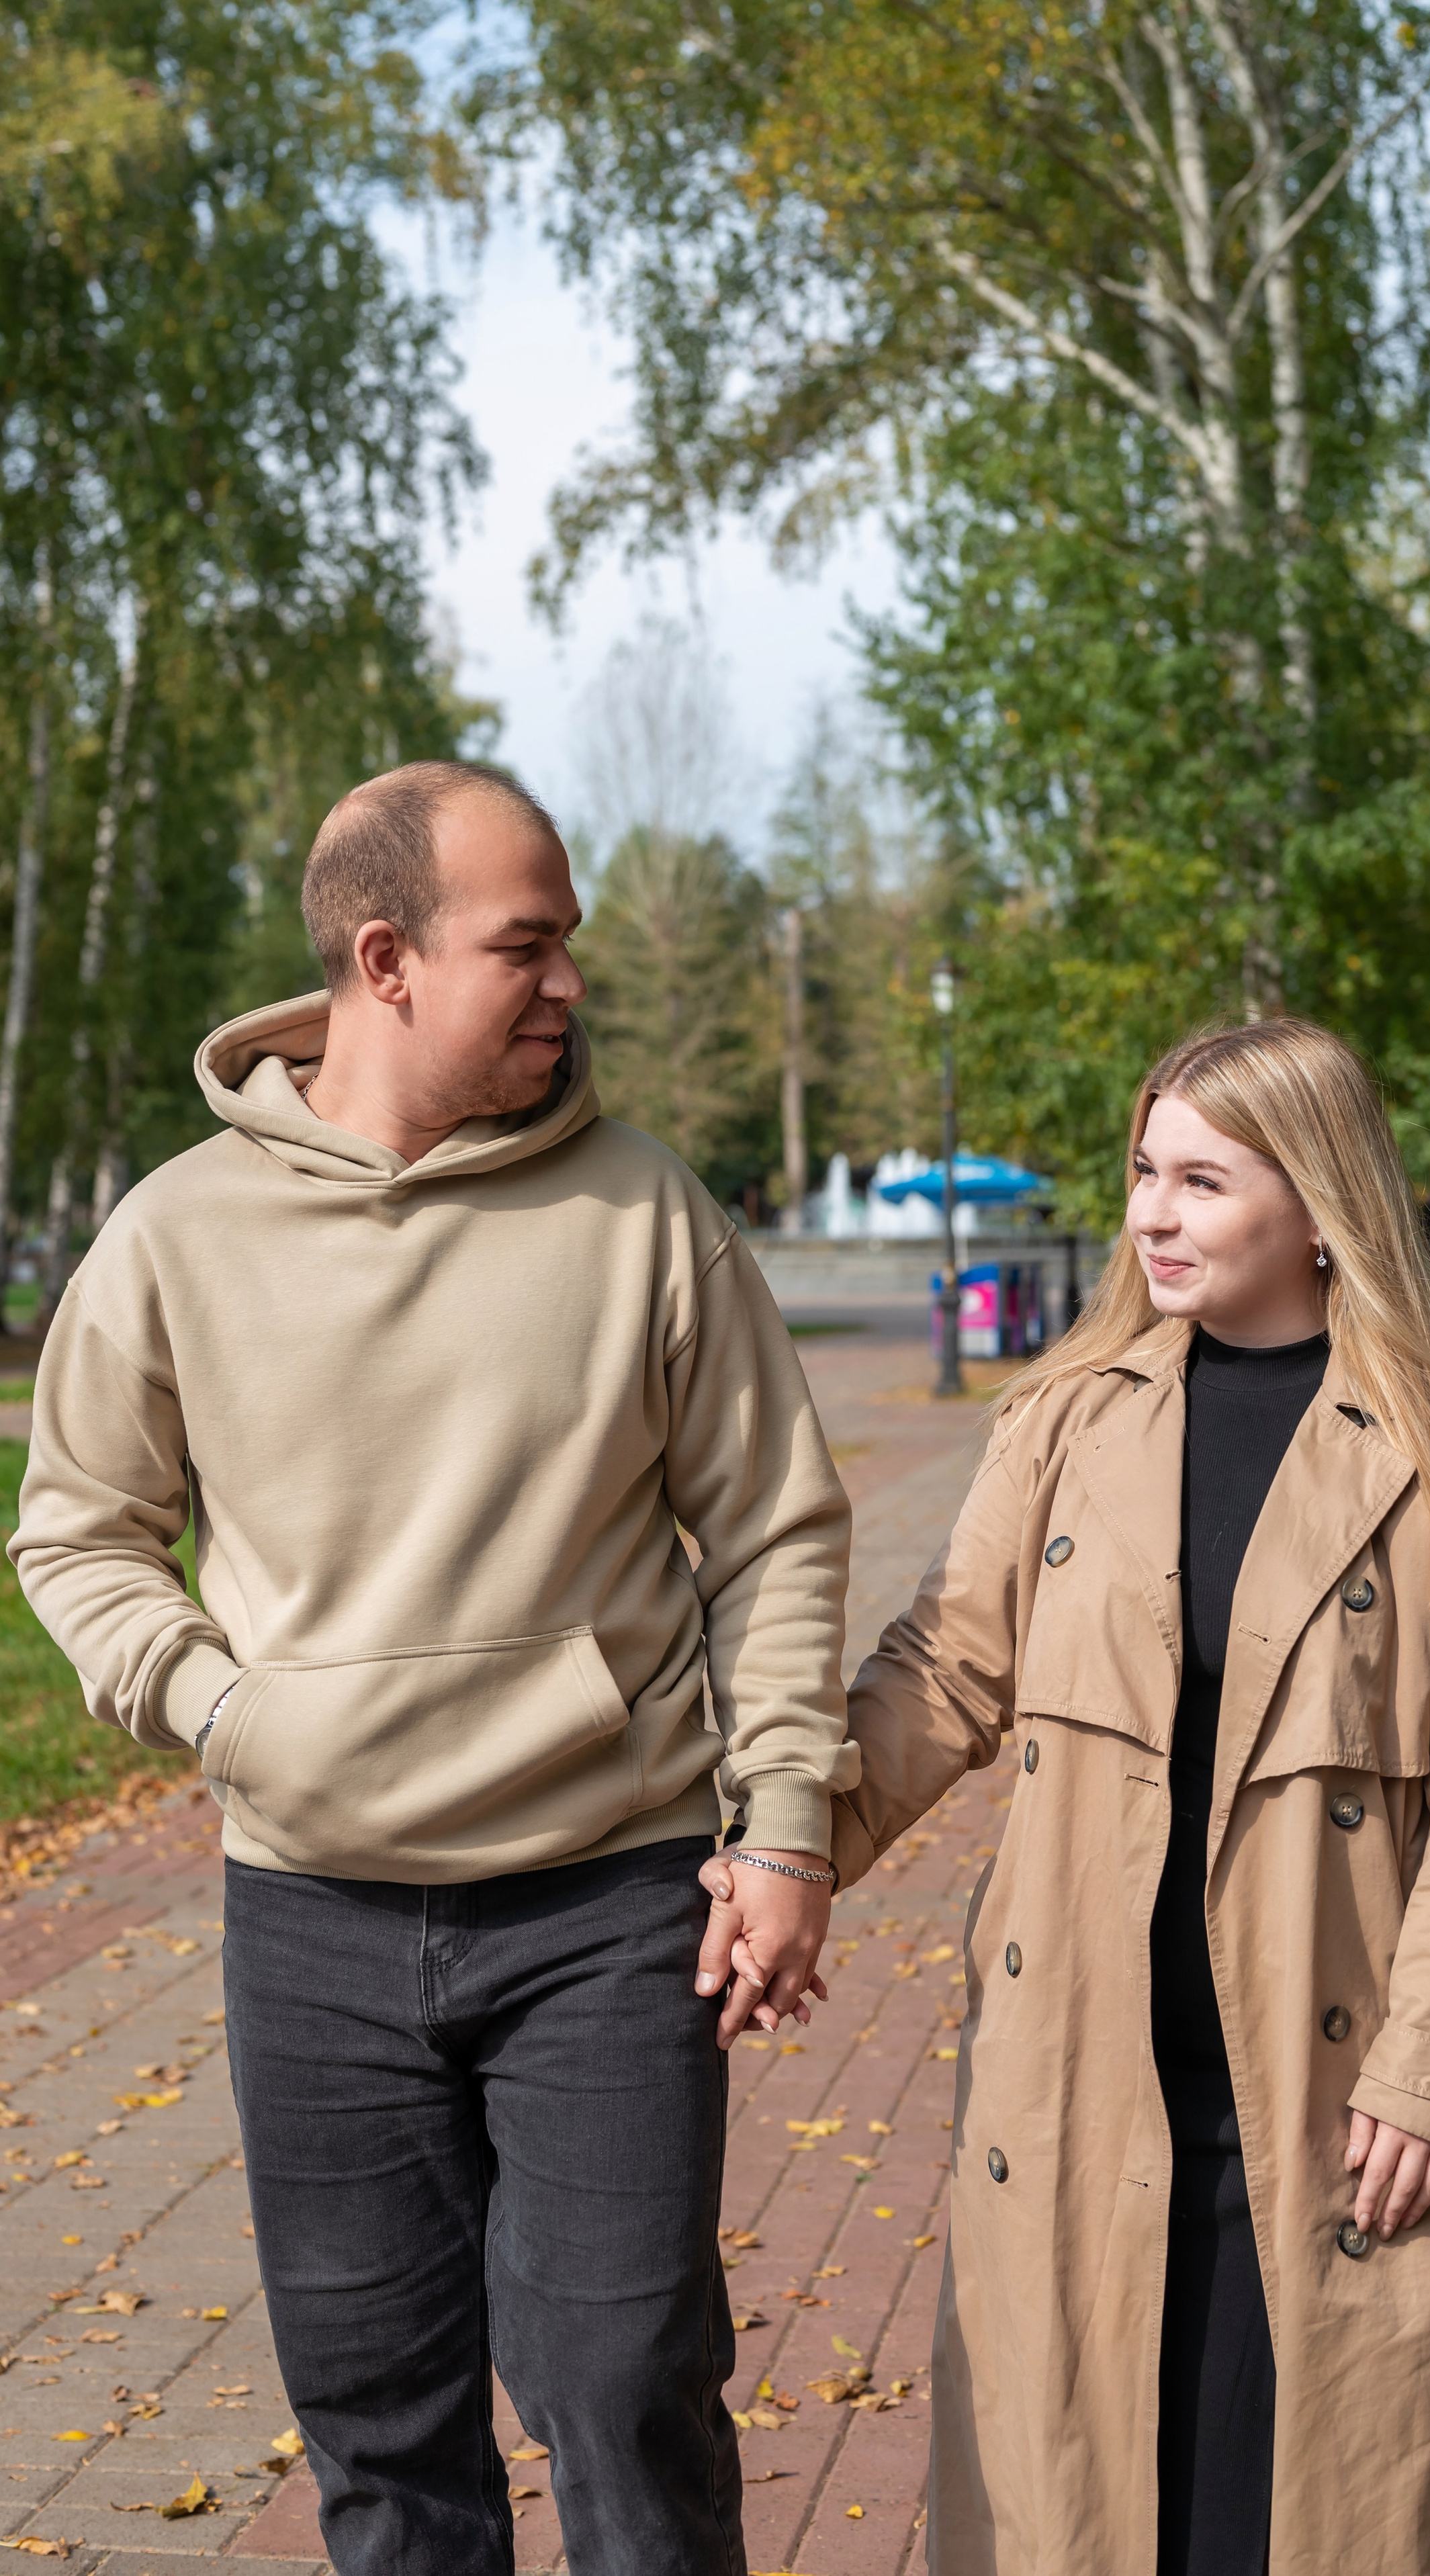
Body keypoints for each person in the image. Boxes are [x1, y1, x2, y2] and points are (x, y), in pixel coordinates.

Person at [10, 759, 858, 2576]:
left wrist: (784, 1826)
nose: (569, 986)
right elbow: (78, 1533)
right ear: (382, 960)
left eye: (571, 946)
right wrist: (221, 1706)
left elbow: (777, 1528)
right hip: (311, 1915)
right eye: (528, 947)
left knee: (627, 2387)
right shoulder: (175, 1232)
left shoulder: (646, 1213)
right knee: (380, 2427)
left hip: (614, 1902)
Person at [825, 1018, 1430, 2576]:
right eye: (1141, 1173)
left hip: (1339, 2079)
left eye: (1200, 1179)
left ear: (1319, 1203)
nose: (1151, 1215)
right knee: (1107, 2494)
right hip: (1087, 2064)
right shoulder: (1063, 1419)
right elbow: (942, 1674)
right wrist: (783, 1848)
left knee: (1326, 2502)